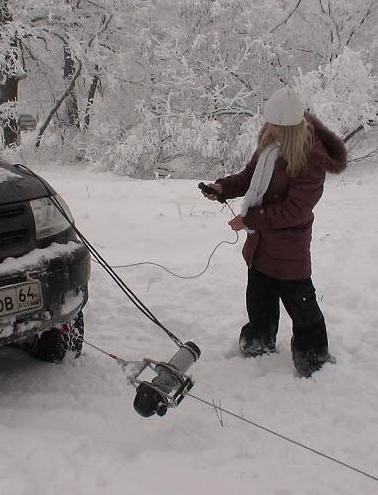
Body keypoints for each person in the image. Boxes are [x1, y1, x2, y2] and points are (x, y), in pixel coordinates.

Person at [201, 88, 347, 377]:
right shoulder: (269, 146)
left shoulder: (311, 160)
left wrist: (250, 219)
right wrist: (222, 189)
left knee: (302, 306)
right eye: (269, 123)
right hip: (261, 243)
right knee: (258, 297)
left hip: (289, 248)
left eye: (276, 125)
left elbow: (296, 209)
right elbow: (248, 178)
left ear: (291, 128)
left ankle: (313, 355)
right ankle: (258, 340)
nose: (270, 129)